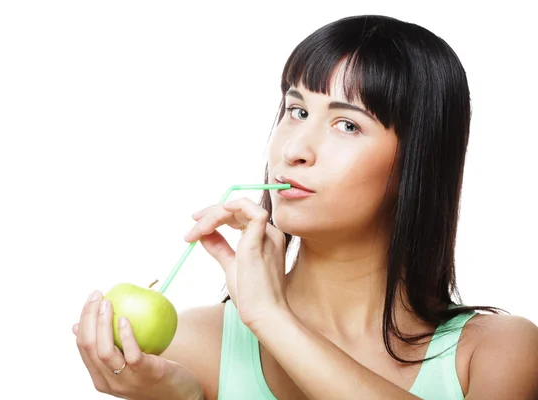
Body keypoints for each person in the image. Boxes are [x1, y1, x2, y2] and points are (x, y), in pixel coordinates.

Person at [72, 14, 538, 400]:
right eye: (296, 111)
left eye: (347, 125)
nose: (294, 148)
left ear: (416, 161)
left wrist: (272, 317)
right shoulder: (186, 350)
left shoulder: (497, 353)